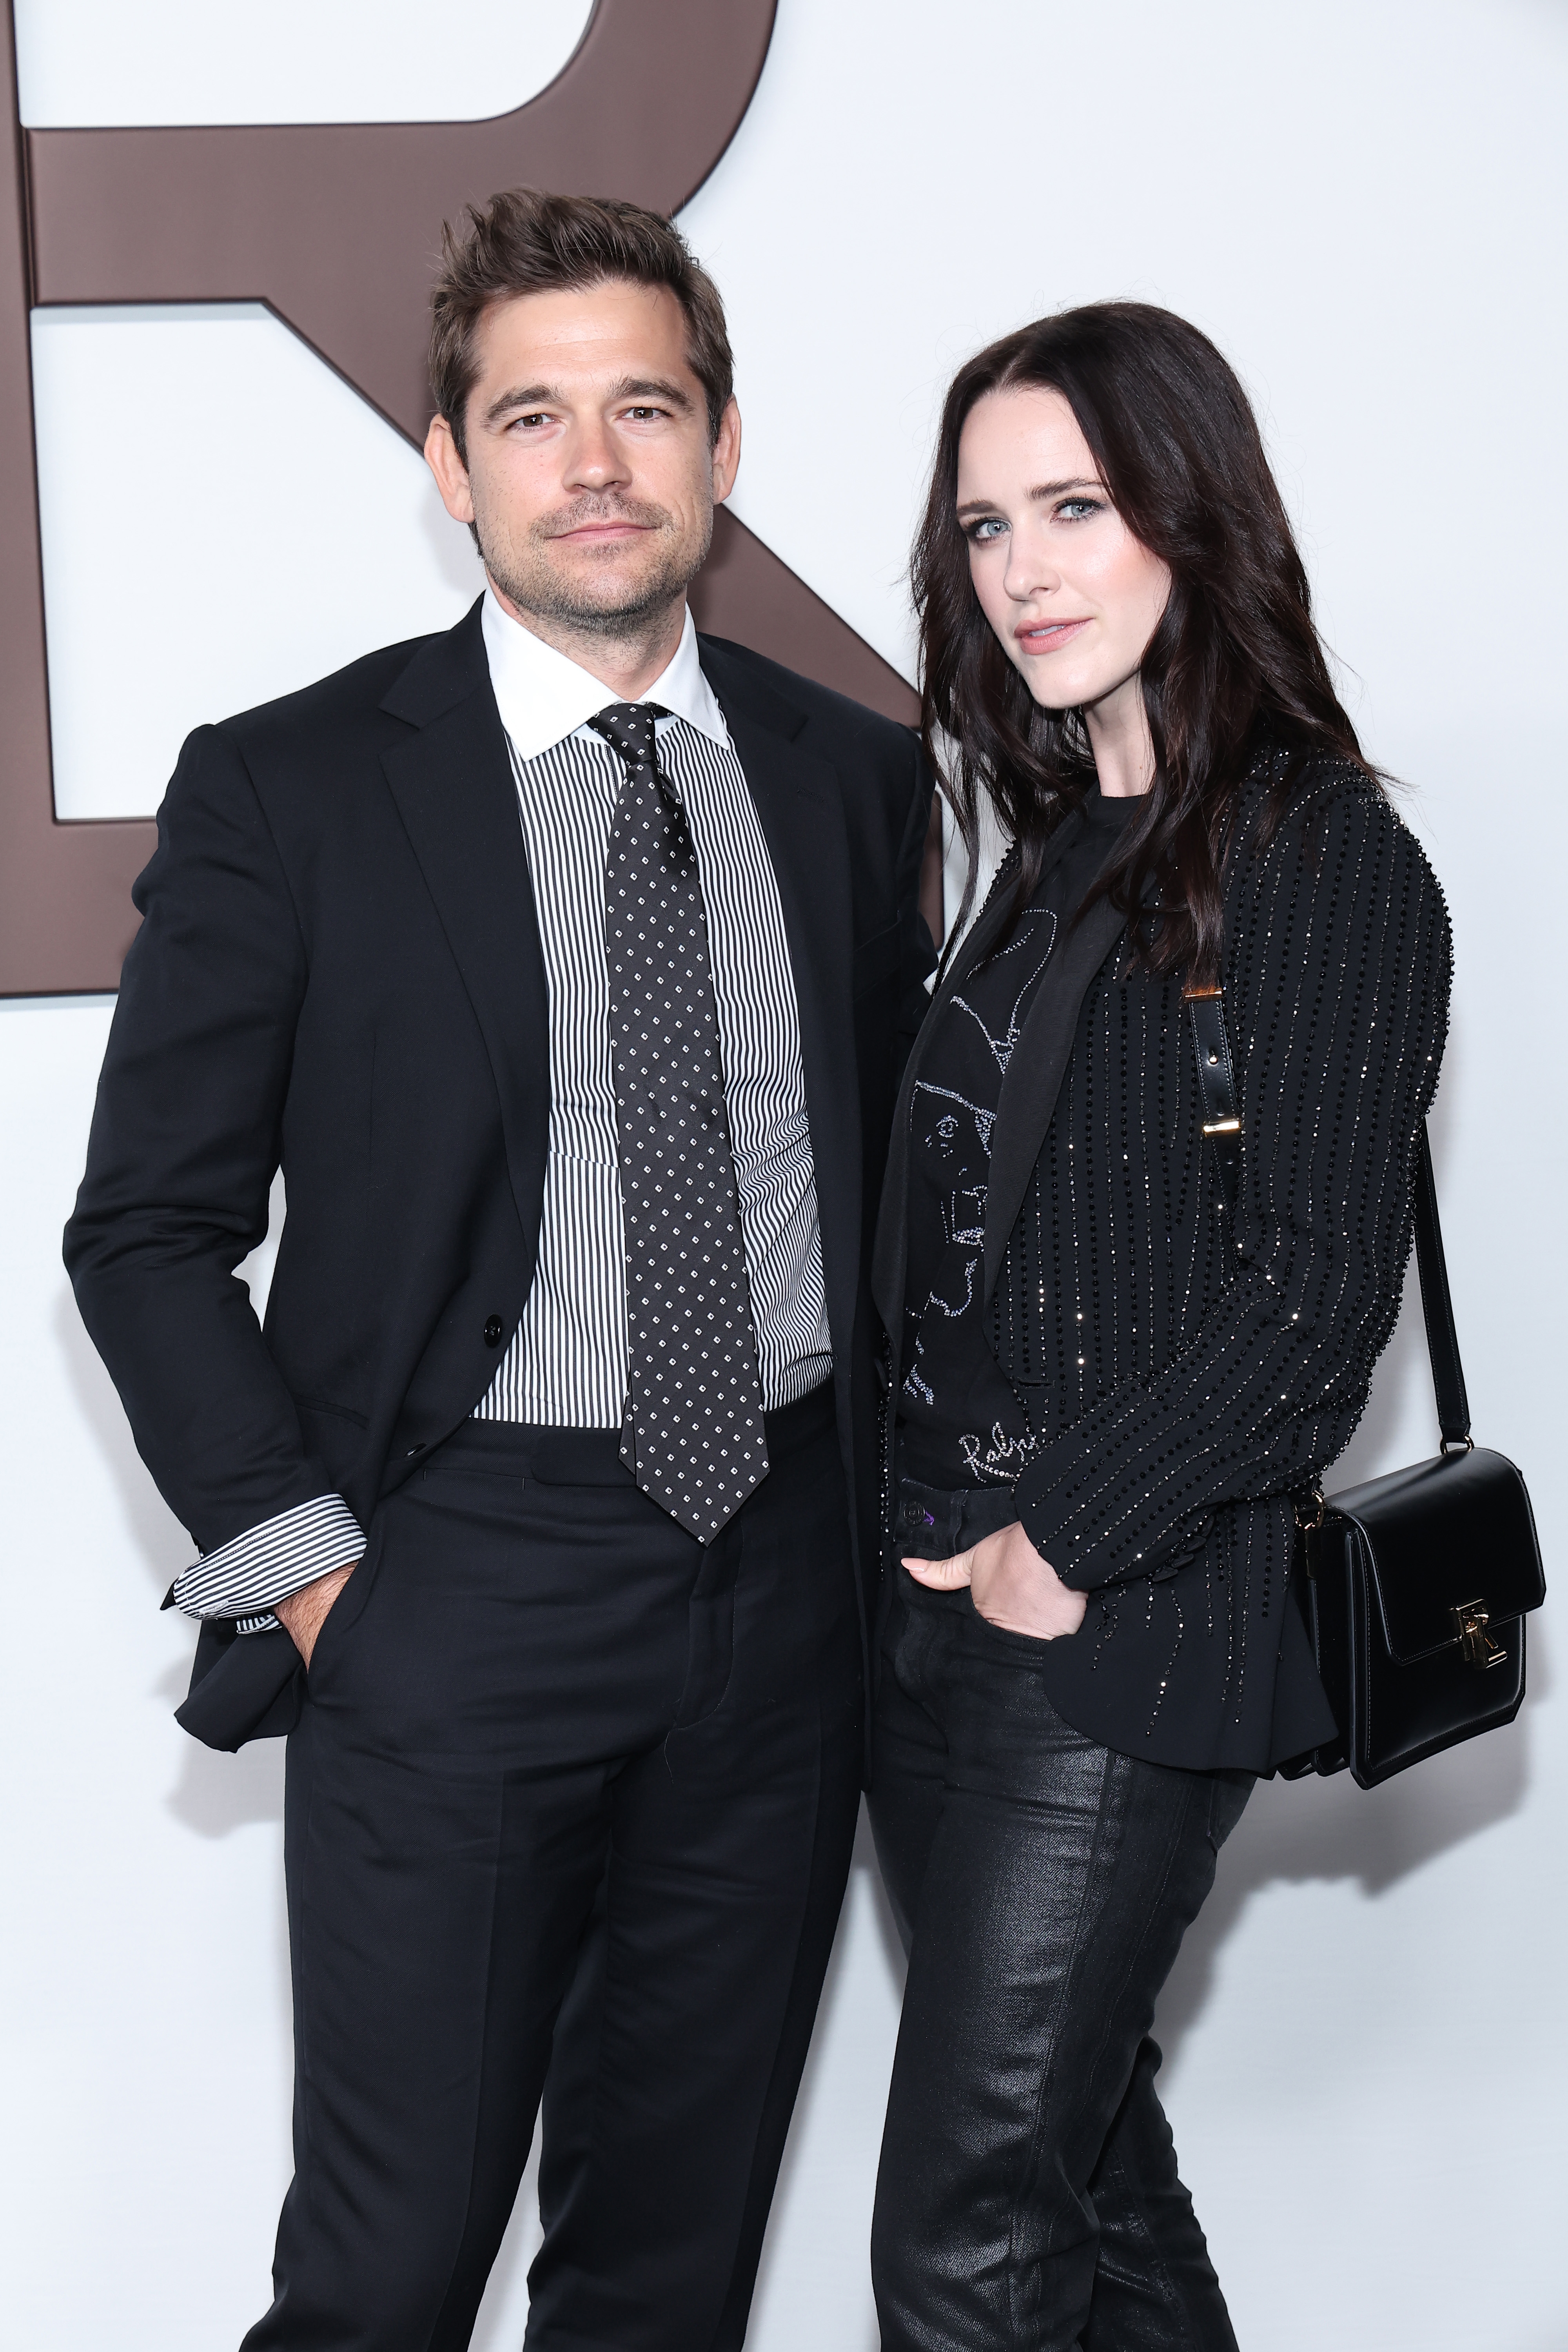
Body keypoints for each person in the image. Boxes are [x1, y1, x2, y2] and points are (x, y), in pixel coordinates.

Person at [64, 189, 933, 2351]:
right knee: (380, 2281)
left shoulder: (850, 781)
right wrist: (328, 1578)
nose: (596, 463)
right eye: (532, 417)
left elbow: (916, 1200)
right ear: (449, 468)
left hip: (785, 1607)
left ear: (726, 444)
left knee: (667, 2275)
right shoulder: (291, 790)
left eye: (644, 405)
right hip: (461, 1584)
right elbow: (148, 1229)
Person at [867, 302, 1451, 2350]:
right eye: (982, 526)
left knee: (959, 2239)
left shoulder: (1322, 855)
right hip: (927, 1626)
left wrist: (1060, 1545)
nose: (1019, 568)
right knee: (1089, 2193)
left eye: (1074, 508)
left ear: (1193, 523)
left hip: (1104, 1637)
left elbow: (1315, 1302)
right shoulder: (1042, 853)